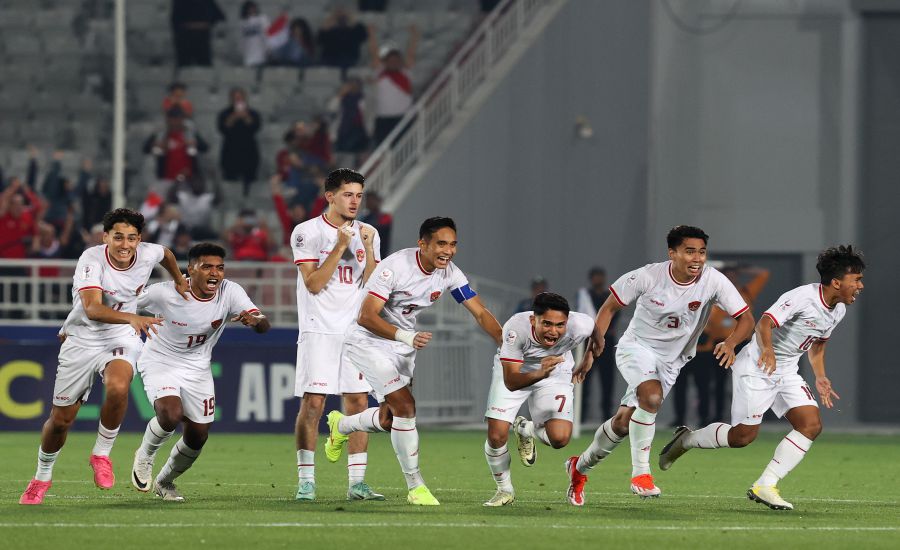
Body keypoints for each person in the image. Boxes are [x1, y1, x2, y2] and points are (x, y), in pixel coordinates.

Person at [658, 246, 864, 511]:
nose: (859, 285)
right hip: (757, 366)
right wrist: (767, 350)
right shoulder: (803, 297)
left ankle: (765, 484)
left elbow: (818, 344)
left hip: (787, 371)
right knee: (742, 437)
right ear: (837, 282)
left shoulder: (838, 310)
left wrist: (820, 377)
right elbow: (765, 322)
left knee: (810, 425)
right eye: (856, 279)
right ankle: (686, 440)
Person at [564, 225, 754, 506]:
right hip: (636, 348)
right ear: (672, 253)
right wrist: (593, 351)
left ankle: (579, 468)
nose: (697, 258)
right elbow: (609, 308)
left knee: (624, 423)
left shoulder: (713, 280)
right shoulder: (648, 275)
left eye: (702, 252)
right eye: (690, 251)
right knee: (651, 397)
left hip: (672, 360)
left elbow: (747, 320)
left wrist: (729, 343)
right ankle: (641, 474)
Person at [324, 217, 503, 506]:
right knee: (406, 406)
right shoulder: (395, 267)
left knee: (390, 418)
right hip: (368, 341)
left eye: (453, 244)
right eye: (441, 244)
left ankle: (342, 426)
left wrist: (506, 344)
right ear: (423, 244)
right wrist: (406, 337)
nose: (449, 250)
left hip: (401, 346)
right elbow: (366, 316)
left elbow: (480, 312)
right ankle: (415, 486)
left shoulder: (449, 274)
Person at [19, 208, 188, 505]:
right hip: (83, 338)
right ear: (105, 237)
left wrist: (178, 280)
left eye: (132, 238)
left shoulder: (148, 253)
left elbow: (167, 255)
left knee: (119, 385)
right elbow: (93, 309)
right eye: (119, 237)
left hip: (120, 336)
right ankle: (41, 477)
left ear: (140, 239)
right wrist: (132, 319)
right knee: (60, 421)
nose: (125, 244)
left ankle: (101, 454)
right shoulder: (91, 259)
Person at [131, 242, 270, 501]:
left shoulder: (230, 292)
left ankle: (165, 481)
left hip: (197, 367)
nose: (215, 273)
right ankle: (145, 455)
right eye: (207, 267)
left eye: (220, 267)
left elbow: (264, 324)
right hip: (160, 360)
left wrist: (255, 321)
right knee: (171, 414)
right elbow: (124, 304)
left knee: (198, 435)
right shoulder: (164, 293)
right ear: (190, 270)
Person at [289, 168, 382, 502]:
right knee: (313, 403)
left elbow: (374, 286)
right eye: (347, 194)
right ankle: (306, 481)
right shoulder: (307, 231)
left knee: (358, 403)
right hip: (319, 330)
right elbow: (313, 284)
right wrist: (341, 246)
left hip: (355, 332)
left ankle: (357, 483)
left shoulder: (369, 231)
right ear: (329, 196)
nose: (355, 201)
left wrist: (369, 250)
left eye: (359, 195)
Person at [482, 292, 599, 506]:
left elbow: (596, 330)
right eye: (546, 323)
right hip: (515, 371)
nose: (553, 331)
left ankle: (525, 429)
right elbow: (511, 381)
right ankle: (504, 490)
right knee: (497, 435)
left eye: (560, 325)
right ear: (532, 319)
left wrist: (589, 356)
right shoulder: (516, 329)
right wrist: (539, 373)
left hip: (556, 370)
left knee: (560, 439)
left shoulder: (579, 325)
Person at [575, 267, 620, 421]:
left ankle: (607, 416)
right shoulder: (585, 296)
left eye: (600, 276)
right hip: (589, 341)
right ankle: (580, 415)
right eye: (595, 276)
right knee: (584, 378)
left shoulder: (610, 296)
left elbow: (615, 312)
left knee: (607, 380)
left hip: (607, 342)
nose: (598, 279)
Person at [368, 25, 419, 146]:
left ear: (400, 61)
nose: (393, 63)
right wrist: (372, 34)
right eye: (390, 60)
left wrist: (414, 36)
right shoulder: (380, 72)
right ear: (385, 62)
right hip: (383, 118)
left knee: (405, 148)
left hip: (403, 118)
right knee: (383, 149)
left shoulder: (405, 73)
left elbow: (411, 53)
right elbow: (374, 53)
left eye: (396, 60)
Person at [217, 88, 262, 197]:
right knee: (230, 181)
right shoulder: (224, 113)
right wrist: (233, 117)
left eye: (240, 98)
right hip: (230, 152)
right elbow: (222, 129)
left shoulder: (253, 113)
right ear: (231, 99)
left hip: (249, 151)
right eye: (235, 98)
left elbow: (255, 127)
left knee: (250, 181)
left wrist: (246, 117)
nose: (238, 100)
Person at [171, 0, 225, 67]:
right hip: (188, 36)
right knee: (186, 66)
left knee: (203, 66)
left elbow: (219, 15)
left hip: (198, 35)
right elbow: (175, 19)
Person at [317, 7, 368, 76]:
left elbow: (363, 37)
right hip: (329, 59)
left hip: (349, 59)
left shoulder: (355, 29)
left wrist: (351, 19)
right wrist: (331, 20)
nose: (341, 17)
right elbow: (319, 41)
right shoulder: (330, 30)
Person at [359, 191, 391, 258]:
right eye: (367, 200)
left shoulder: (385, 217)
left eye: (371, 200)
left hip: (379, 252)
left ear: (377, 201)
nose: (369, 202)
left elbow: (380, 231)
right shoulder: (364, 217)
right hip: (364, 253)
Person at [238, 1, 269, 67]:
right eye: (249, 8)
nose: (251, 10)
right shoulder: (242, 22)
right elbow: (241, 39)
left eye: (253, 8)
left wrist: (267, 48)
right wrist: (242, 51)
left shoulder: (262, 19)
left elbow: (267, 34)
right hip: (248, 53)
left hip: (261, 52)